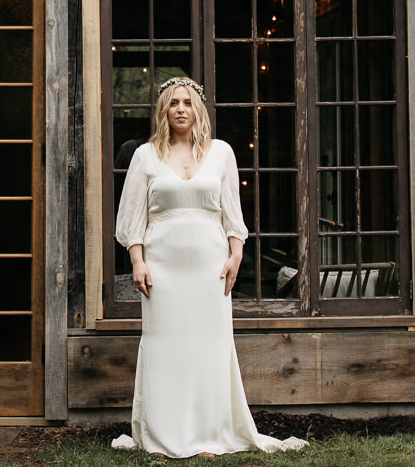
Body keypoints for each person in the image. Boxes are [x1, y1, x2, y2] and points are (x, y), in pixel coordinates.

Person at [113, 76, 306, 457]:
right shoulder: (145, 156)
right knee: (165, 346)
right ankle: (162, 435)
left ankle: (208, 434)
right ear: (163, 111)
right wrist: (137, 261)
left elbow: (232, 212)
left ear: (197, 109)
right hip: (163, 267)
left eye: (187, 102)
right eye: (173, 103)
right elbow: (131, 218)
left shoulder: (221, 152)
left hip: (210, 268)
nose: (180, 109)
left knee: (209, 346)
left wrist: (235, 255)